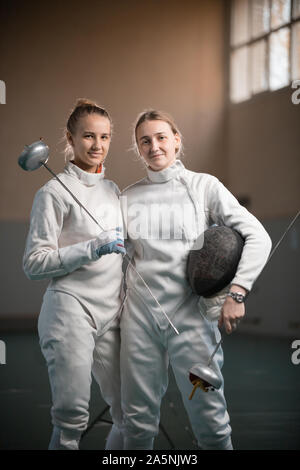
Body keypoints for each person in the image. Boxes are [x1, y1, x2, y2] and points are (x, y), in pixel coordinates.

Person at [120, 109, 272, 450]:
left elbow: (258, 236)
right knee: (138, 422)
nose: (154, 146)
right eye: (145, 141)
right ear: (138, 148)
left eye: (161, 137)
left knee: (210, 419)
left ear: (176, 140)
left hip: (192, 324)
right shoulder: (127, 197)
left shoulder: (204, 186)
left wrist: (237, 293)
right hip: (139, 324)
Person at [23, 99, 126, 450]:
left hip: (112, 314)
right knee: (71, 418)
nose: (98, 145)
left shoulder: (113, 191)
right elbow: (34, 263)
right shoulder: (52, 192)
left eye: (105, 137)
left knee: (130, 410)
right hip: (70, 312)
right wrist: (92, 247)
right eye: (88, 136)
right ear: (70, 138)